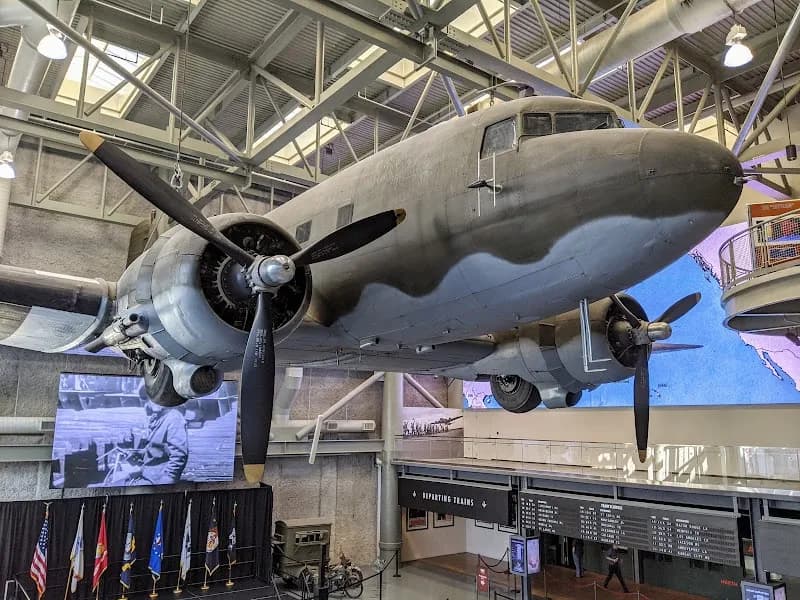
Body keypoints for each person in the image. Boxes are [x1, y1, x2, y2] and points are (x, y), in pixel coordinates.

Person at [134, 400, 189, 484]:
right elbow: (158, 448)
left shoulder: (174, 417)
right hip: (147, 474)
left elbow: (179, 455)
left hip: (158, 480)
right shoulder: (157, 417)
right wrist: (141, 453)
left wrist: (168, 478)